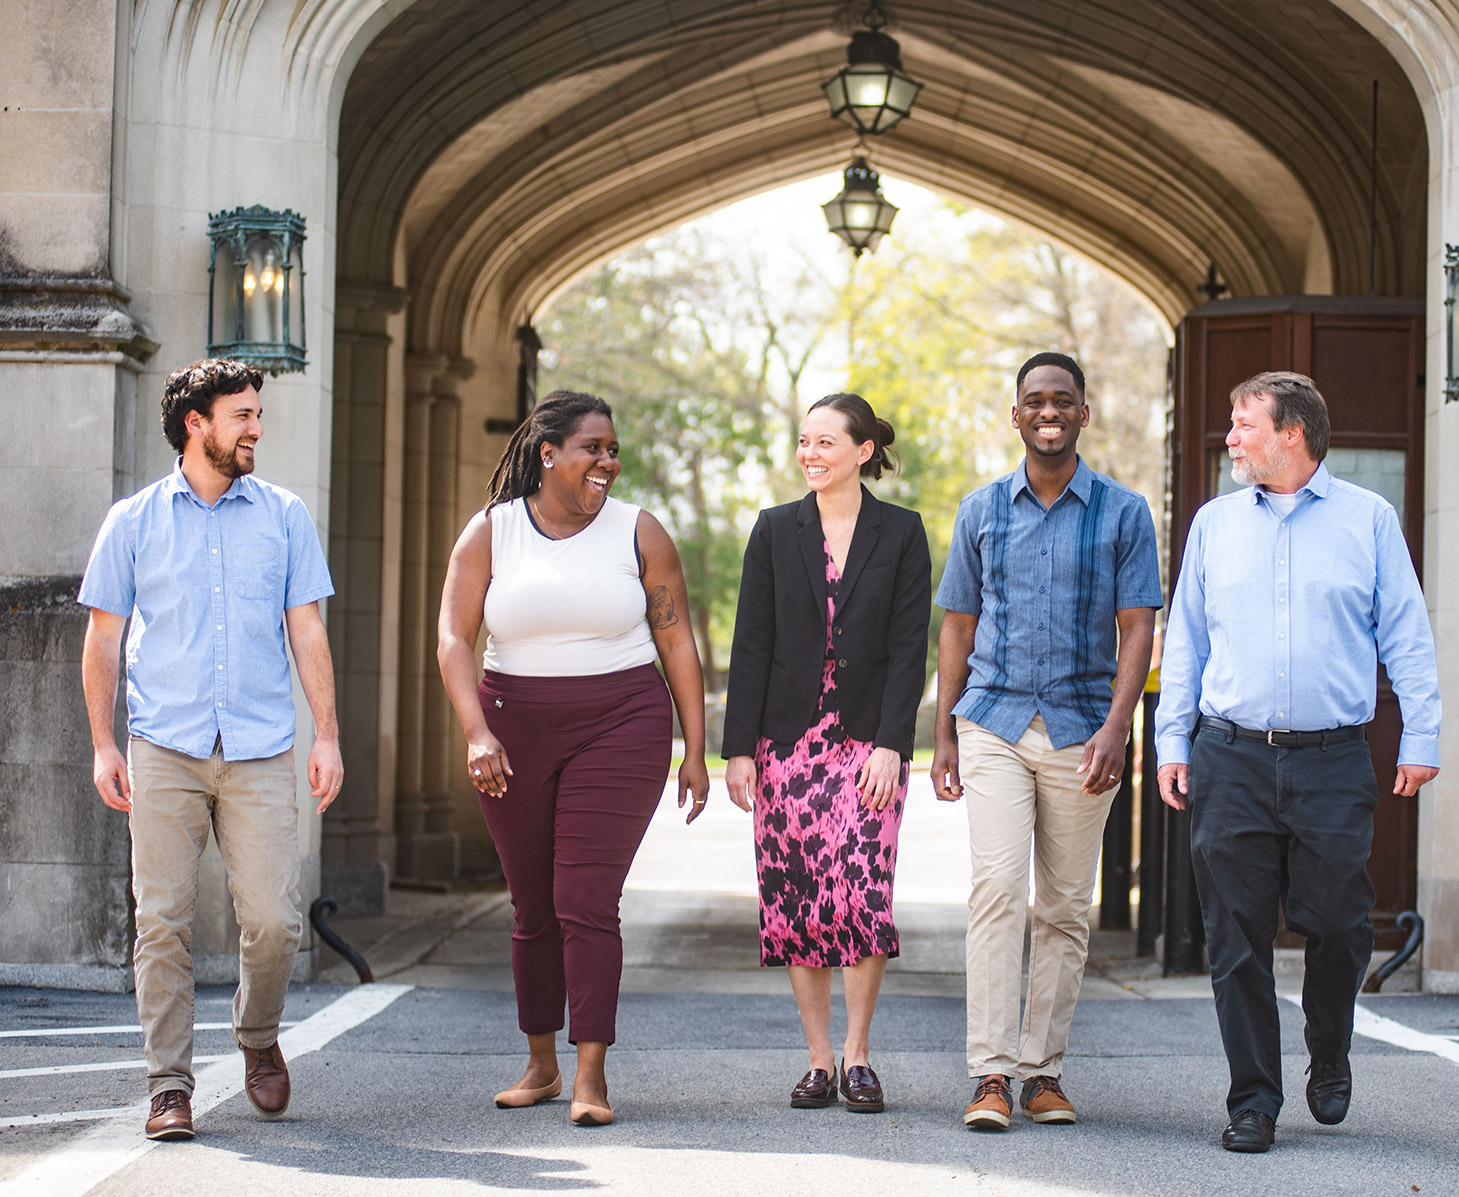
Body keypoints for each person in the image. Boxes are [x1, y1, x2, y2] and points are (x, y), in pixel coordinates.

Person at [1154, 370, 1441, 1154]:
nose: (1232, 437)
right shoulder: (1213, 523)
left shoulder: (1368, 520)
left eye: (1245, 423)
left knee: (1343, 923)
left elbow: (1405, 634)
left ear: (1293, 433)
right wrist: (1170, 739)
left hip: (1331, 759)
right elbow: (1185, 640)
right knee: (1234, 936)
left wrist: (1421, 734)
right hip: (1229, 755)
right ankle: (1252, 1099)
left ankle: (1328, 1048)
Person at [79, 358, 342, 1141]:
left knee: (273, 922)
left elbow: (307, 626)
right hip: (164, 742)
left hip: (260, 745)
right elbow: (102, 638)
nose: (257, 427)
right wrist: (102, 743)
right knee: (160, 919)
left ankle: (257, 1035)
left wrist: (326, 732)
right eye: (243, 415)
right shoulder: (133, 521)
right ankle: (169, 1084)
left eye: (257, 414)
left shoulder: (285, 514)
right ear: (197, 423)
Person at [436, 390, 710, 1127]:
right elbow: (454, 639)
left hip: (621, 722)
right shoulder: (491, 532)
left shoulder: (638, 532)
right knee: (532, 905)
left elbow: (674, 639)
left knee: (585, 900)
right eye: (593, 447)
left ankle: (591, 1072)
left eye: (613, 450)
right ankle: (540, 1062)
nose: (608, 462)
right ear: (548, 451)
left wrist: (695, 748)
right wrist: (475, 732)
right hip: (512, 727)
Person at [932, 352, 1161, 1131]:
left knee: (1063, 906)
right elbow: (956, 625)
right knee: (996, 891)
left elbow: (1138, 629)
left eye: (1062, 399)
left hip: (1079, 728)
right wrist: (943, 734)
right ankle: (990, 1072)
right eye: (1035, 400)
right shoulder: (981, 510)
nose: (1049, 410)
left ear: (1083, 413)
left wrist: (1115, 726)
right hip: (992, 719)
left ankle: (1042, 1071)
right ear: (1016, 414)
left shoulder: (1124, 513)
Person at [722, 393, 932, 1114]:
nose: (810, 454)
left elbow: (911, 647)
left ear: (863, 450)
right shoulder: (775, 529)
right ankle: (816, 1060)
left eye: (824, 442)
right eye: (803, 442)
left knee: (864, 893)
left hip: (866, 743)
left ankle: (859, 1056)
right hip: (787, 743)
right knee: (797, 899)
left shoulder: (900, 532)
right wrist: (739, 751)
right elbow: (750, 642)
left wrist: (892, 744)